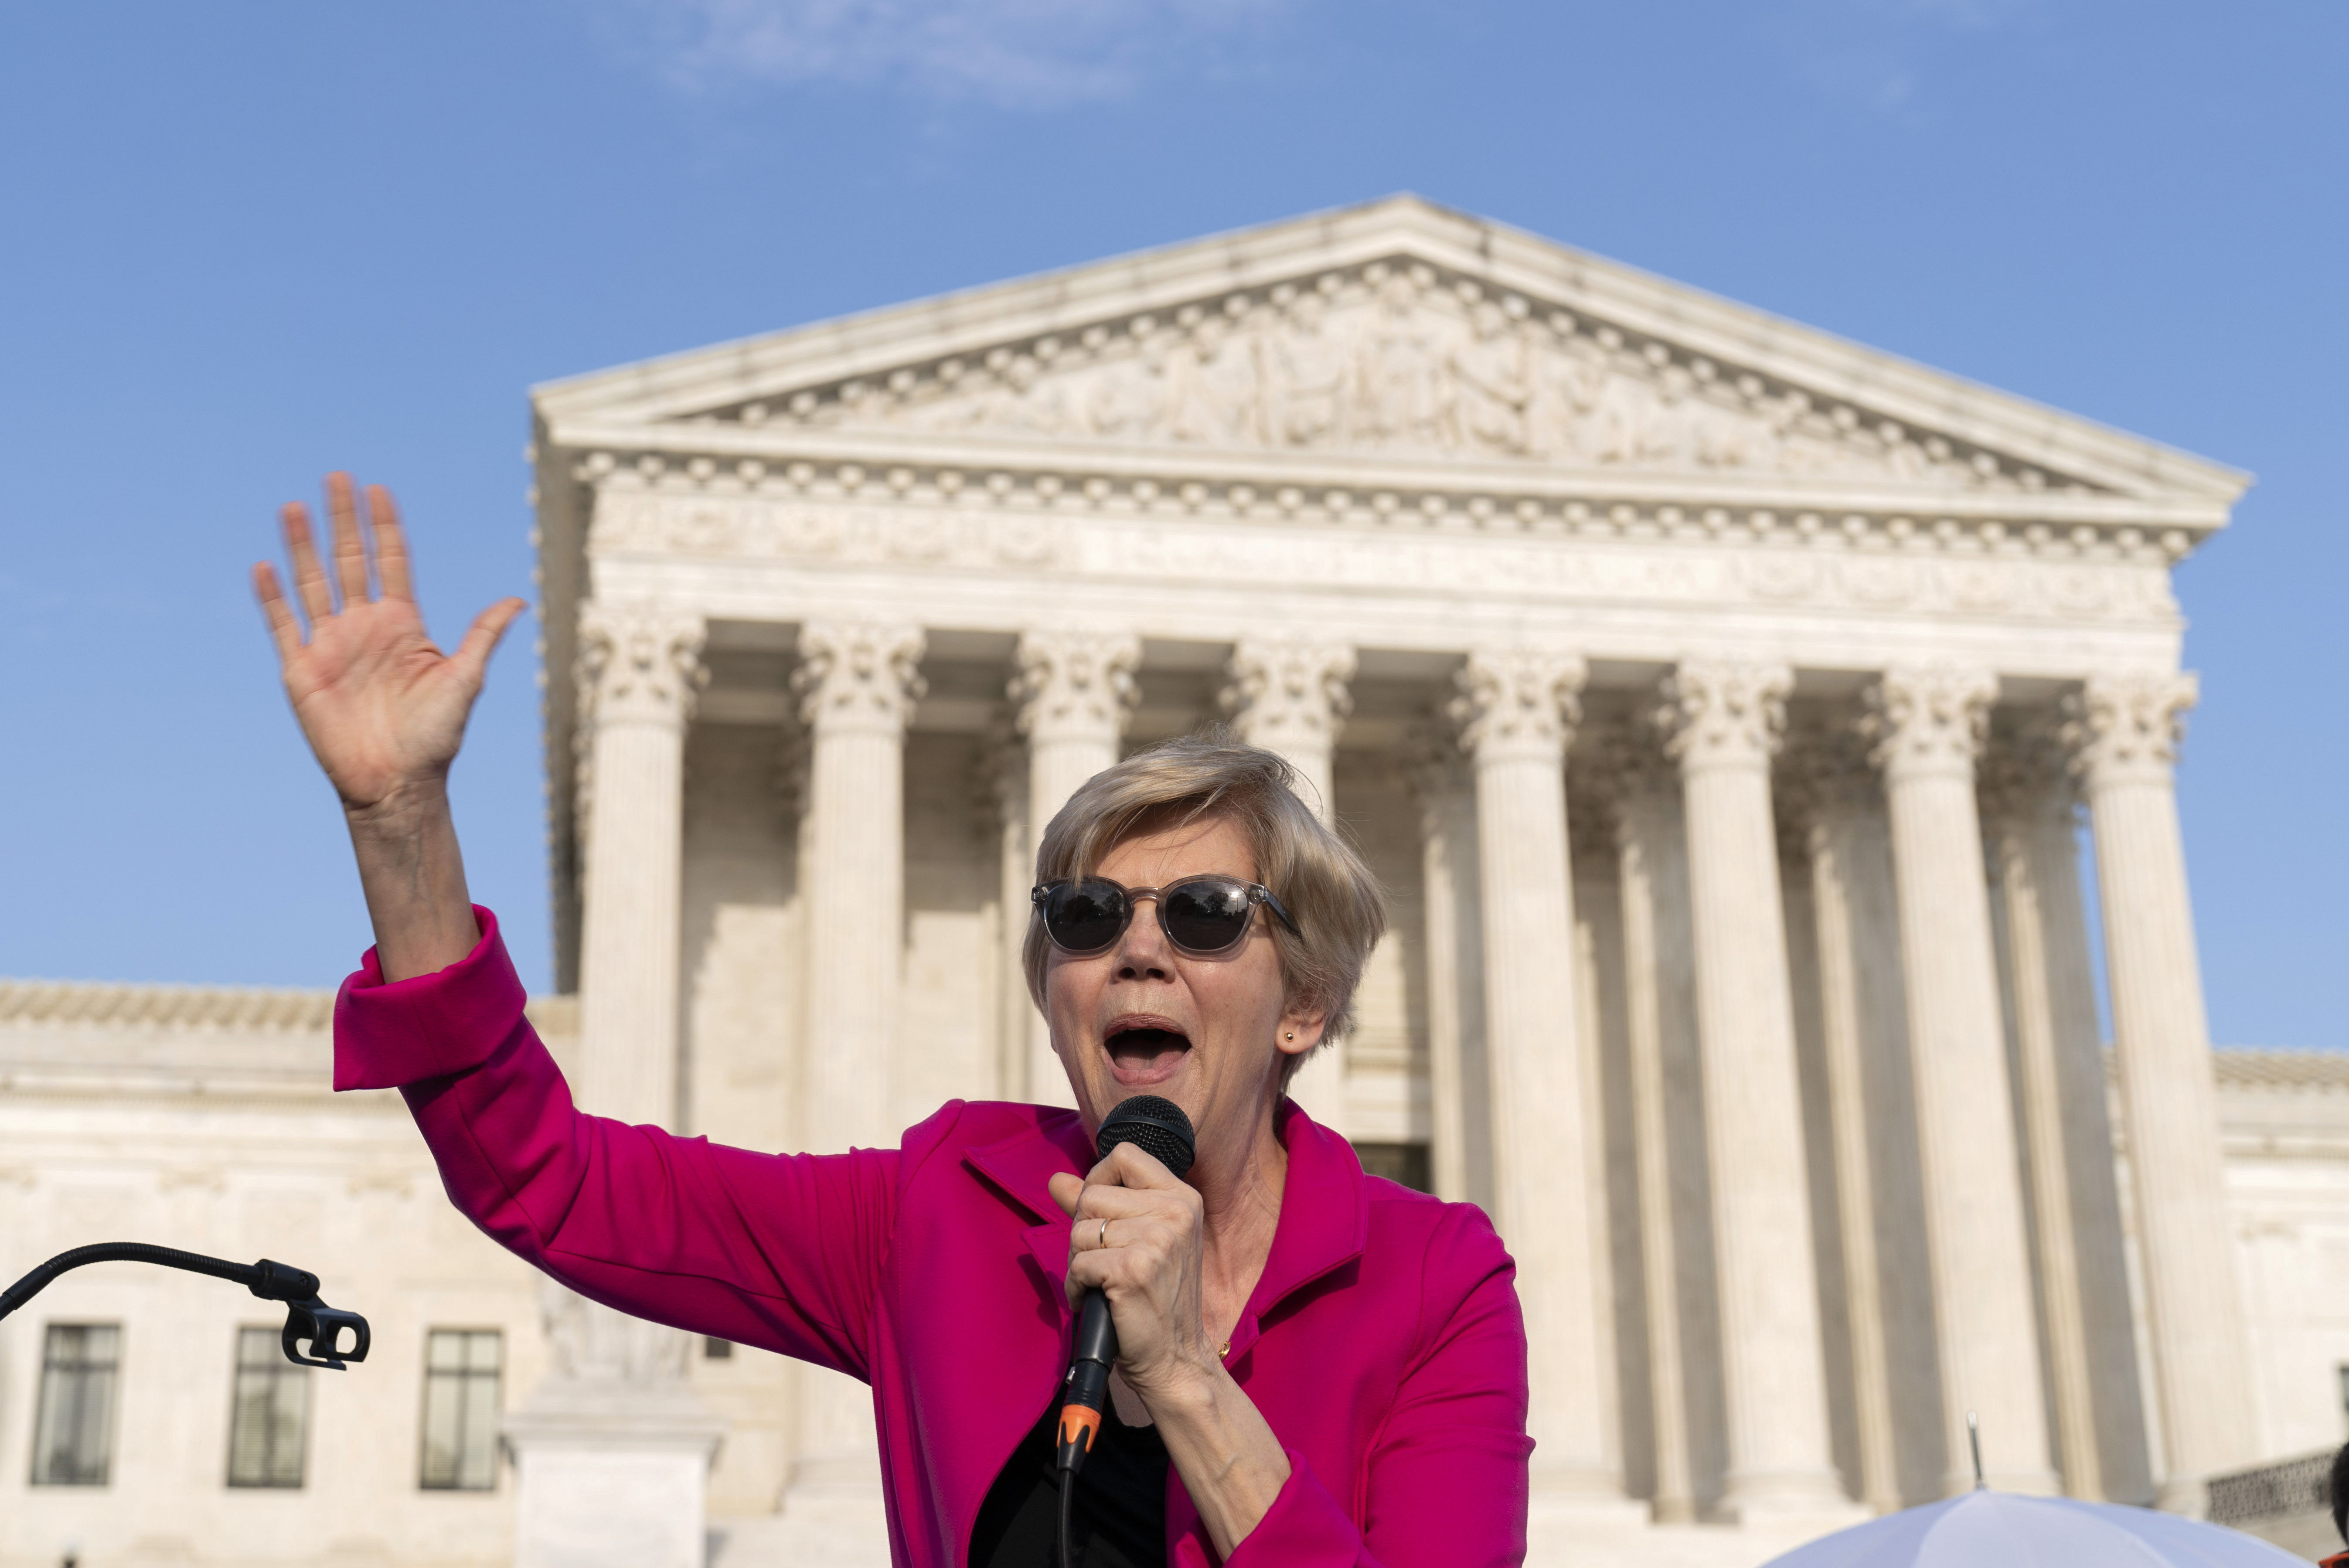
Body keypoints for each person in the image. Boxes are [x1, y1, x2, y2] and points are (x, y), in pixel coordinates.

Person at [254, 474, 1534, 1567]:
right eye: (1086, 917)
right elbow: (550, 1180)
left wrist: (1185, 1373)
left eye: (1205, 913)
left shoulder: (1433, 1284)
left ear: (1304, 1002)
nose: (1138, 947)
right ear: (1051, 992)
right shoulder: (943, 1215)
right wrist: (398, 819)